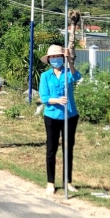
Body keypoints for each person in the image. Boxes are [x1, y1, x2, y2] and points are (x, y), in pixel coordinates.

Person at [39, 45, 81, 195]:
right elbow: (44, 97)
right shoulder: (45, 76)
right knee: (51, 149)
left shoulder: (68, 73)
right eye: (52, 57)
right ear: (49, 59)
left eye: (58, 57)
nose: (55, 59)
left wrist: (70, 60)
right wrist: (56, 100)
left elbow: (77, 77)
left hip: (70, 115)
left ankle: (67, 181)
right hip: (51, 116)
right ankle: (50, 182)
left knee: (67, 149)